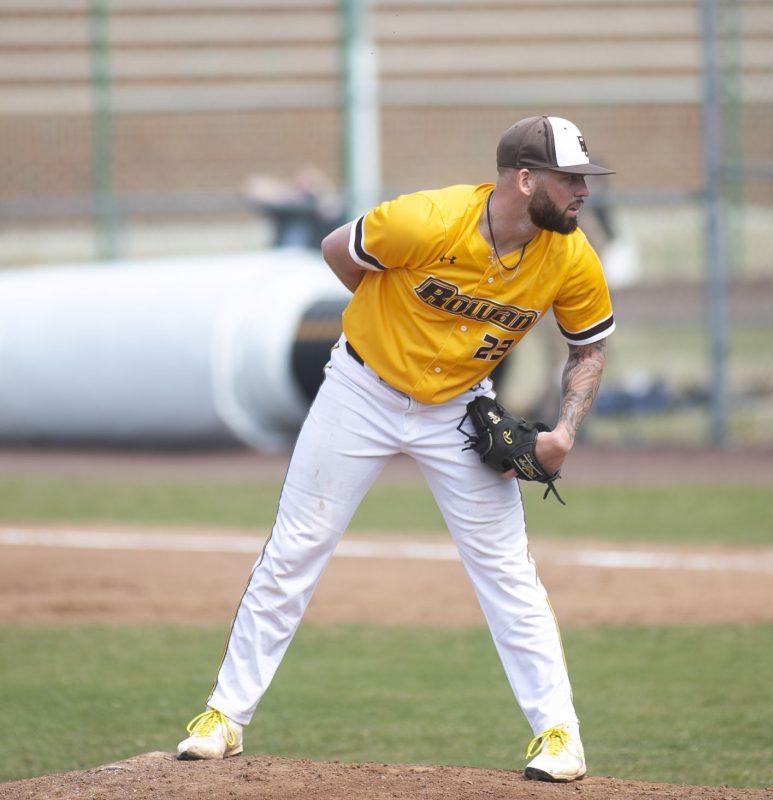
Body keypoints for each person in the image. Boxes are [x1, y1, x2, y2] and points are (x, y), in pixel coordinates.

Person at [174, 116, 615, 783]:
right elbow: (336, 249)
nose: (582, 191)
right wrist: (389, 316)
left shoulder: (570, 255)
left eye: (583, 180)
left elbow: (589, 345)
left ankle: (558, 733)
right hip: (361, 390)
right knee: (298, 546)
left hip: (460, 410)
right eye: (570, 178)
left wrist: (564, 433)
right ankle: (224, 717)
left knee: (505, 569)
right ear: (525, 179)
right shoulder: (426, 220)